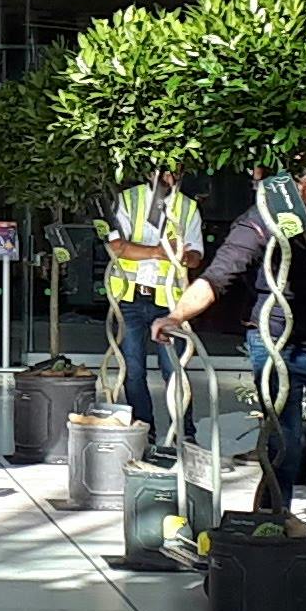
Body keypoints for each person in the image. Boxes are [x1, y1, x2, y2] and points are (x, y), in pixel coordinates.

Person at [163, 165, 306, 525]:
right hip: (273, 339)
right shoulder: (256, 223)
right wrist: (176, 316)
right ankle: (273, 523)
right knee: (285, 445)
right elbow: (218, 276)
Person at [107, 167, 200, 438]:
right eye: (162, 171)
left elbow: (196, 255)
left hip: (170, 301)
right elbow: (116, 246)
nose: (168, 177)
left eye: (173, 171)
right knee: (132, 369)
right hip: (130, 296)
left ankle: (185, 434)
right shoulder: (129, 199)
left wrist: (183, 256)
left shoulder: (187, 206)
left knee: (174, 369)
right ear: (149, 173)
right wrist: (158, 252)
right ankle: (144, 431)